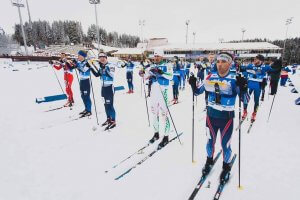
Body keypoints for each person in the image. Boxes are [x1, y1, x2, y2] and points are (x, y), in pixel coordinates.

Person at [189, 52, 247, 183]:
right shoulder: (211, 76)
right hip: (211, 117)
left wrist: (243, 87)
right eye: (218, 62)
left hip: (226, 119)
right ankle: (209, 161)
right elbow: (198, 91)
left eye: (223, 62)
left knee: (225, 145)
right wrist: (193, 84)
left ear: (230, 63)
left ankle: (226, 167)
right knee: (210, 142)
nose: (220, 64)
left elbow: (245, 99)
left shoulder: (234, 78)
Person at [139, 49, 173, 149]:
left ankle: (166, 136)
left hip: (163, 91)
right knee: (154, 113)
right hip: (153, 92)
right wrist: (142, 73)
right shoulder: (151, 66)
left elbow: (170, 77)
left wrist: (161, 72)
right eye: (155, 56)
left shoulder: (168, 65)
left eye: (158, 56)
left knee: (164, 114)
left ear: (162, 56)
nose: (156, 58)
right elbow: (145, 76)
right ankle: (156, 133)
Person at [89, 52, 117, 130]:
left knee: (110, 105)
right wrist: (91, 68)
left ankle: (113, 121)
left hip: (109, 88)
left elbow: (111, 75)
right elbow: (97, 75)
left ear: (106, 58)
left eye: (103, 57)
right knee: (105, 105)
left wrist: (104, 67)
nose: (101, 59)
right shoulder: (101, 66)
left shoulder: (110, 65)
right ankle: (108, 119)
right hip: (103, 88)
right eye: (100, 57)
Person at [241, 54, 272, 122]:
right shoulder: (250, 65)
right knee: (246, 99)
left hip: (258, 86)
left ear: (261, 60)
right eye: (254, 59)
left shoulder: (265, 67)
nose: (254, 60)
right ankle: (245, 111)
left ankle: (254, 113)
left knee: (256, 101)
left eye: (256, 59)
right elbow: (243, 69)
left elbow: (273, 71)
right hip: (250, 85)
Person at [71, 50, 92, 117]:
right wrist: (74, 64)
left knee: (87, 96)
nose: (78, 57)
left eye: (79, 55)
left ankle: (89, 110)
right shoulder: (80, 62)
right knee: (82, 96)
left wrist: (77, 64)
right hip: (81, 81)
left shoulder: (87, 63)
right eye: (78, 55)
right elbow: (77, 68)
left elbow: (83, 70)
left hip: (86, 81)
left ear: (83, 56)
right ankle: (86, 109)